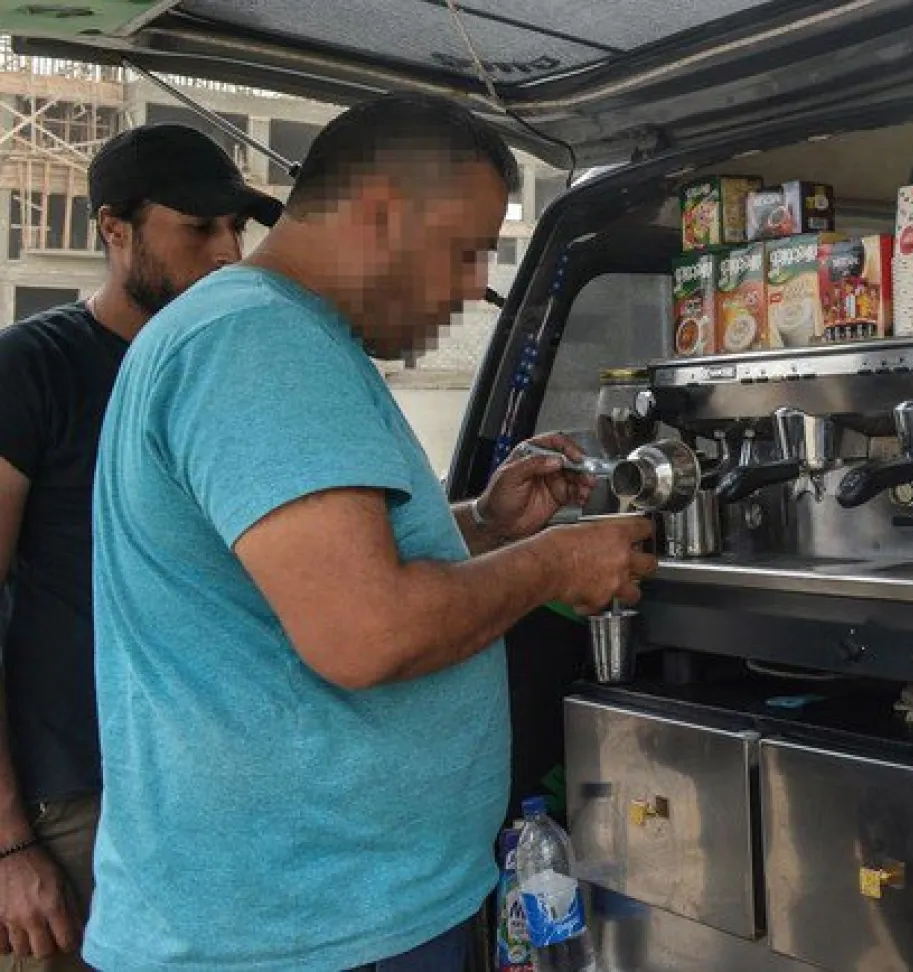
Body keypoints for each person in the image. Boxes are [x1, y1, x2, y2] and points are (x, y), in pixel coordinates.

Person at [85, 93, 656, 971]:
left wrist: (486, 525)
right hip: (299, 931)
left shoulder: (264, 333)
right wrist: (552, 562)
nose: (473, 286)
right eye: (466, 251)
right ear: (383, 213)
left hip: (320, 912)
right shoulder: (258, 341)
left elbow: (306, 574)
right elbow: (367, 632)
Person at [0, 124, 282, 970]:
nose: (229, 252)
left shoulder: (227, 374)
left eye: (237, 227)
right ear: (113, 230)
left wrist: (482, 521)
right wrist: (9, 847)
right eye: (198, 229)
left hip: (215, 798)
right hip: (77, 805)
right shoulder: (32, 369)